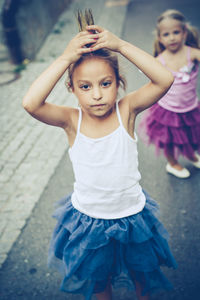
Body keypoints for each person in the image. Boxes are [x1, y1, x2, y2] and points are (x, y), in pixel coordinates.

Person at [22, 10, 176, 300]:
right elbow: (31, 103)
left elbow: (165, 79)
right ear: (72, 89)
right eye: (85, 87)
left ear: (118, 83)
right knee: (98, 284)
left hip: (132, 217)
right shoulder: (71, 120)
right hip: (89, 221)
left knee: (144, 278)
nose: (97, 95)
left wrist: (119, 45)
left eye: (106, 84)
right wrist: (66, 58)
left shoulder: (126, 110)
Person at [139, 9, 200, 178]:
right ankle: (172, 164)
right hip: (168, 111)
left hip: (190, 106)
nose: (172, 37)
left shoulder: (192, 53)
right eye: (166, 34)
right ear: (159, 38)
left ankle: (190, 155)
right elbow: (151, 79)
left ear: (184, 33)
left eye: (176, 32)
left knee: (190, 135)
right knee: (169, 140)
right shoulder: (160, 61)